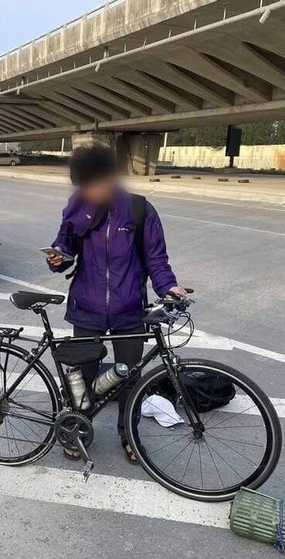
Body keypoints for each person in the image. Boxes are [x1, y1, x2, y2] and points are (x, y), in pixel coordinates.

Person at [46, 144, 186, 463]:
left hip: (128, 311)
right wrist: (56, 258)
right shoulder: (76, 208)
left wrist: (169, 287)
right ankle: (78, 430)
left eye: (93, 184)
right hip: (87, 308)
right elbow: (63, 250)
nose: (89, 192)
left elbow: (156, 259)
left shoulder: (138, 210)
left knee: (129, 379)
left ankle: (129, 435)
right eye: (84, 185)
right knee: (82, 376)